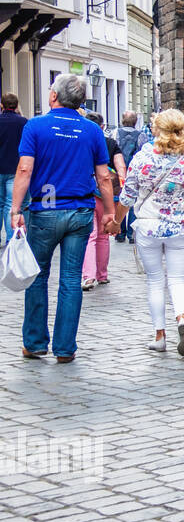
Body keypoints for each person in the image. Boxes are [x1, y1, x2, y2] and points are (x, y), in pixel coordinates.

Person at [10, 74, 115, 363]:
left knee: (38, 276)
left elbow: (24, 170)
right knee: (70, 279)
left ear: (53, 97)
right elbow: (104, 176)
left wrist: (16, 209)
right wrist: (109, 212)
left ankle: (35, 343)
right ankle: (65, 348)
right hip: (80, 212)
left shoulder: (36, 126)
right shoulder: (92, 130)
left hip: (44, 211)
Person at [115, 109, 184, 356]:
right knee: (178, 279)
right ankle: (182, 319)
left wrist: (115, 222)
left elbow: (127, 196)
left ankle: (159, 336)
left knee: (155, 280)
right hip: (179, 228)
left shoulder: (142, 160)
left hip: (148, 227)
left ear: (156, 130)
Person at [79, 111, 127, 290]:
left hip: (87, 192)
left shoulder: (80, 141)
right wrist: (121, 186)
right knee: (103, 236)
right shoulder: (111, 143)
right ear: (102, 126)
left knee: (89, 236)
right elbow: (120, 167)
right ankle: (102, 274)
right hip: (107, 194)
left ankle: (88, 276)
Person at [111, 111, 143, 242]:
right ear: (135, 121)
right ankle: (131, 234)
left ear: (122, 120)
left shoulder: (115, 133)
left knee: (120, 200)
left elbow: (113, 150)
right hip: (134, 172)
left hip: (119, 172)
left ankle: (120, 232)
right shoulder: (141, 135)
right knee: (134, 201)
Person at [0, 93, 27, 244]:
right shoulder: (23, 122)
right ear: (16, 106)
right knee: (10, 204)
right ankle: (11, 238)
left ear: (1, 105)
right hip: (15, 169)